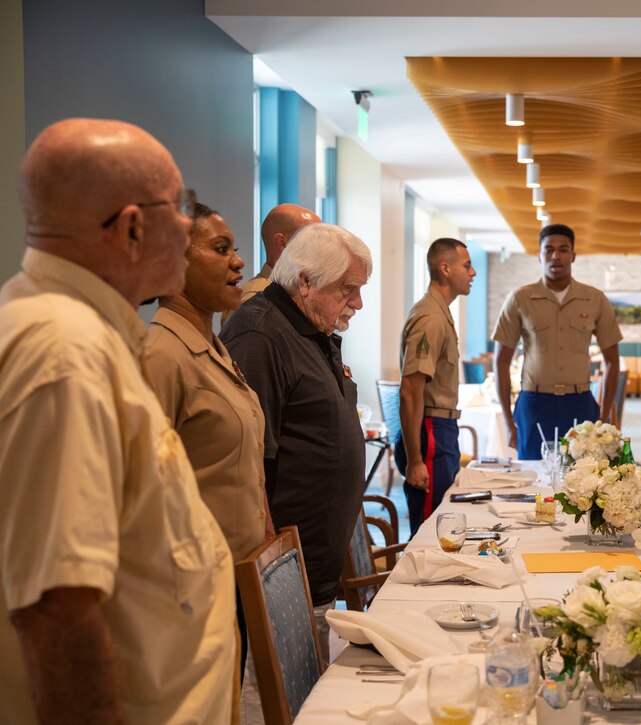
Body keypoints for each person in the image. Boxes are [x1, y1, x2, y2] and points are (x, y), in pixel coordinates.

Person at [0, 119, 234, 722]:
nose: (189, 224)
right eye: (180, 206)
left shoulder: (83, 334)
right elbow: (57, 610)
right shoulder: (65, 352)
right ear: (131, 226)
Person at [142, 203, 272, 718]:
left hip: (233, 576)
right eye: (221, 250)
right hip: (189, 591)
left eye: (235, 248)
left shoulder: (212, 347)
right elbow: (145, 492)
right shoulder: (162, 355)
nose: (239, 262)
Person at [221, 222, 371, 665]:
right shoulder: (260, 335)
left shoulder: (309, 327)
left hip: (312, 575)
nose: (358, 303)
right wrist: (272, 572)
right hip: (279, 579)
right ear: (305, 282)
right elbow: (250, 463)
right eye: (349, 289)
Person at [493, 224, 623, 459]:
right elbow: (501, 361)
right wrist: (507, 420)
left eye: (563, 249)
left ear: (573, 255)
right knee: (534, 478)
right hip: (534, 403)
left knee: (585, 479)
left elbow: (612, 361)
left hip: (581, 404)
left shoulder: (594, 299)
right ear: (539, 255)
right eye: (549, 249)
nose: (556, 256)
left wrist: (604, 416)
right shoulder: (520, 299)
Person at [396, 238, 476, 535]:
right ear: (445, 268)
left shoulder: (439, 312)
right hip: (429, 430)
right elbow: (410, 390)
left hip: (440, 428)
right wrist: (416, 461)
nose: (473, 272)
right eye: (466, 265)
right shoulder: (430, 317)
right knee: (432, 530)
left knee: (441, 523)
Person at [220, 203, 320, 326]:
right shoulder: (253, 302)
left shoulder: (297, 293)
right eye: (313, 239)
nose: (321, 249)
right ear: (282, 243)